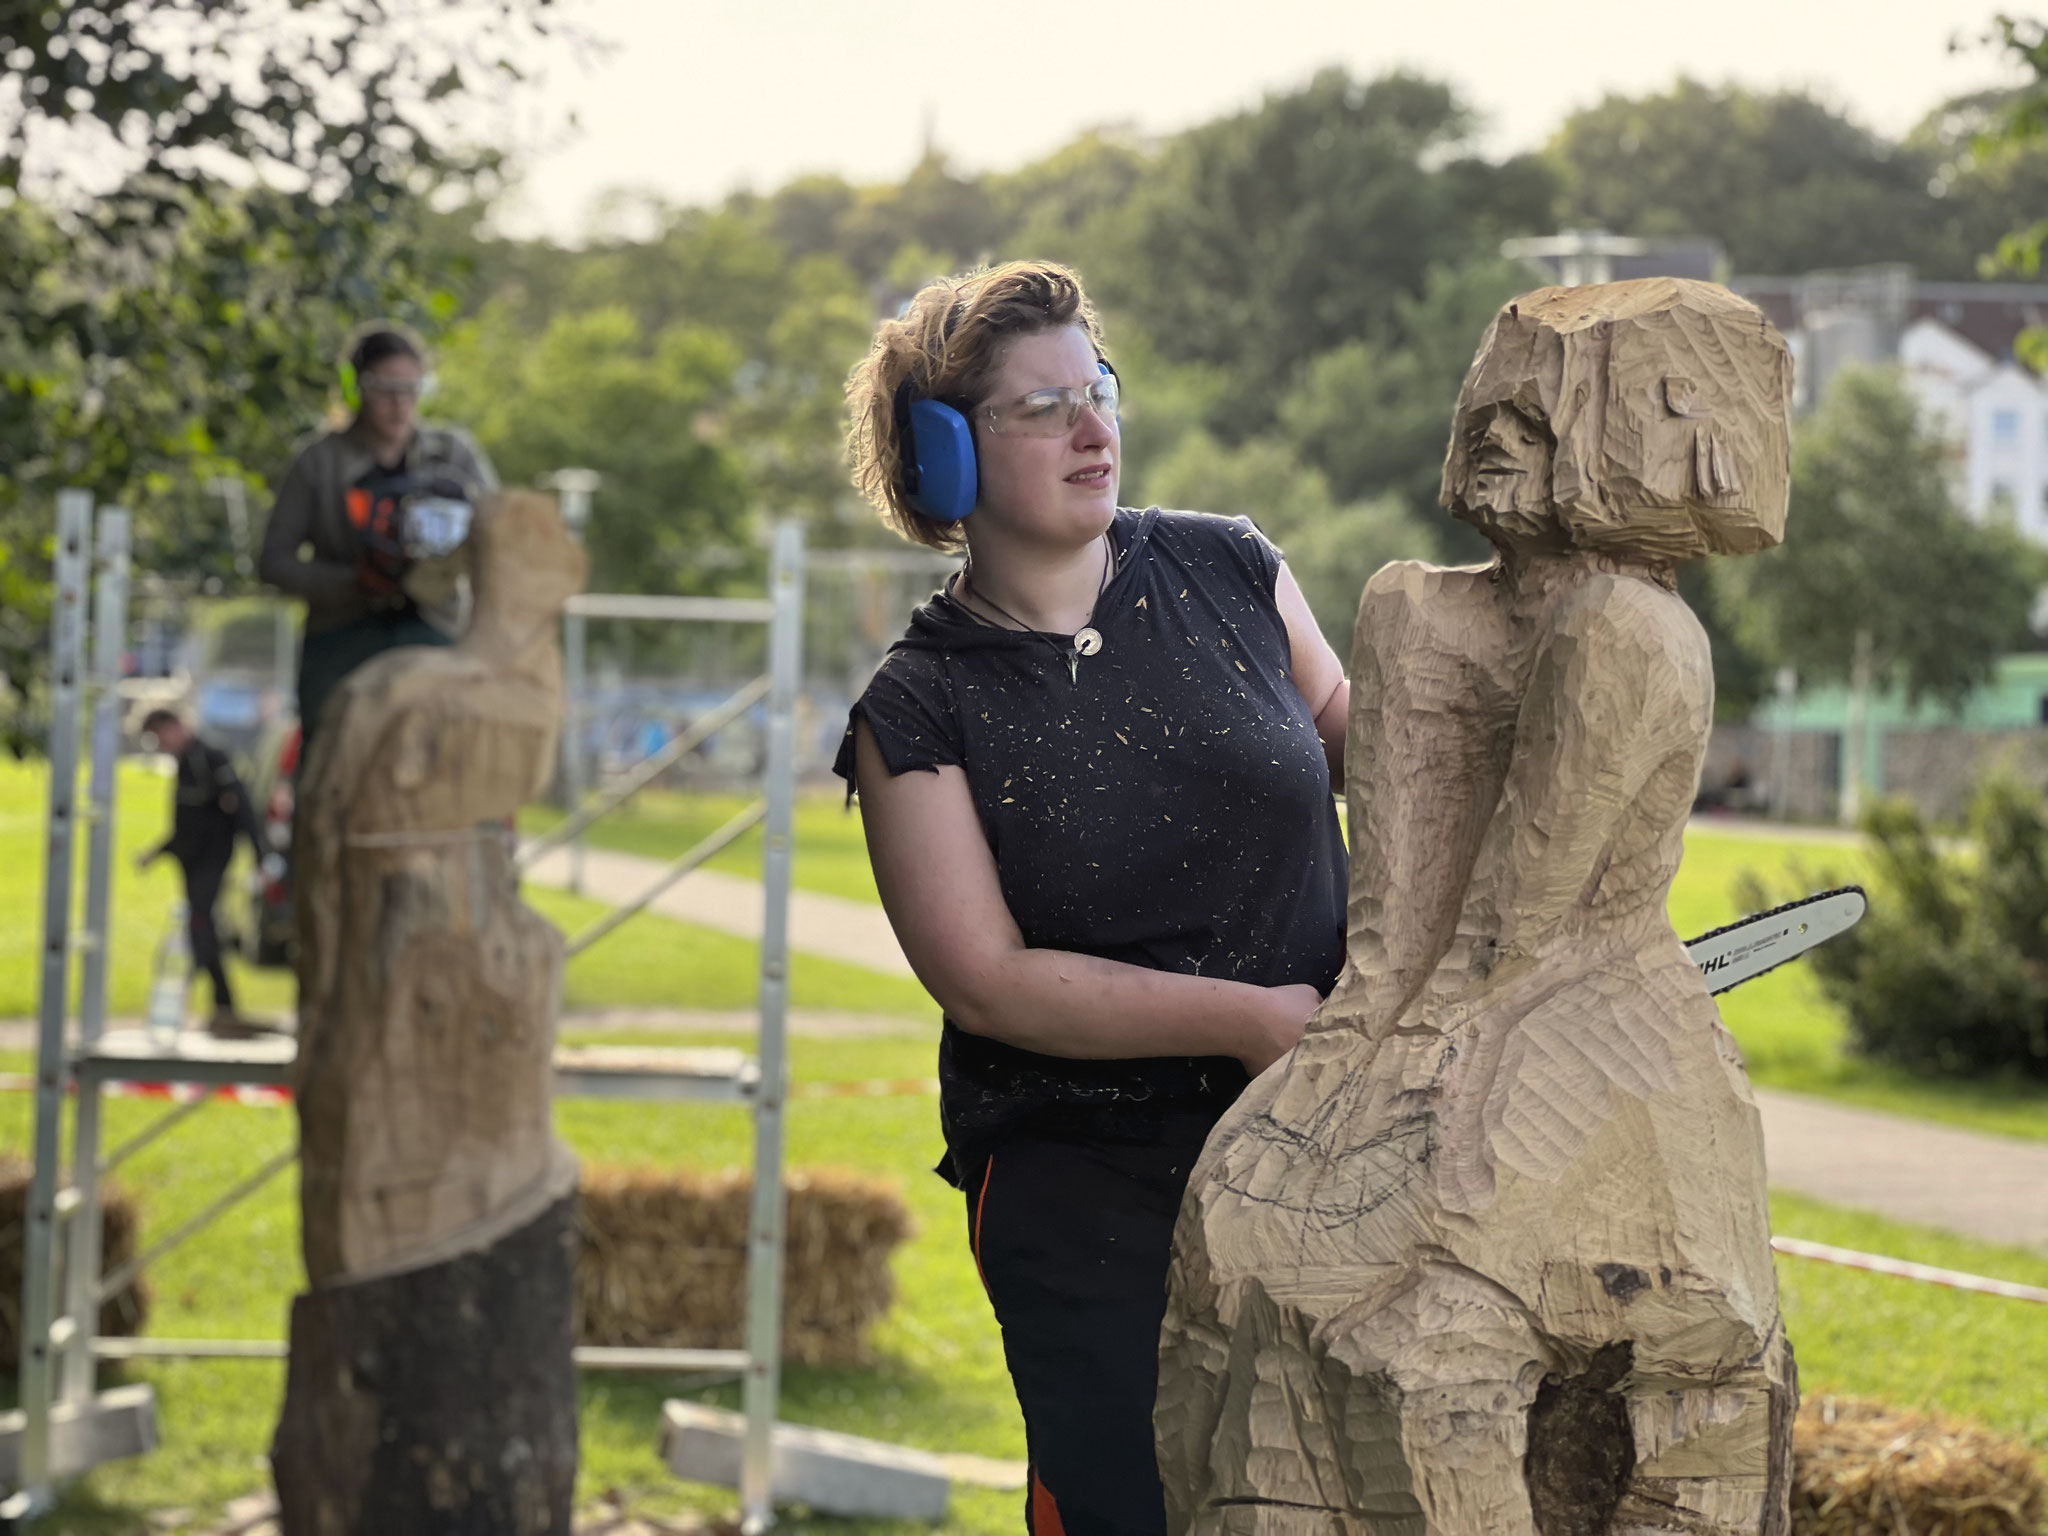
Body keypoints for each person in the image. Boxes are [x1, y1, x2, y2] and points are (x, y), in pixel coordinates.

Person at [837, 260, 1350, 1536]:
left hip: (1325, 1135)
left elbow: (1368, 748)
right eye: (1042, 406)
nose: (1092, 429)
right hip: (1087, 1185)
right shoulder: (917, 708)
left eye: (1099, 390)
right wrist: (1248, 1019)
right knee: (1135, 1506)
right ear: (946, 454)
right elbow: (989, 980)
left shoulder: (1228, 568)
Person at [258, 325, 496, 762]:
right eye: (384, 388)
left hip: (434, 627)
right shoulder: (319, 462)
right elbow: (274, 561)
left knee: (453, 757)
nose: (399, 402)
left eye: (410, 388)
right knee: (329, 761)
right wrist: (357, 583)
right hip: (342, 635)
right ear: (355, 388)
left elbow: (499, 540)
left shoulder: (454, 455)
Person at [135, 710, 273, 1036]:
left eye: (161, 735)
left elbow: (241, 807)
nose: (162, 745)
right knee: (202, 929)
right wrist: (158, 852)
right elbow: (185, 825)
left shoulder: (211, 758)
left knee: (201, 927)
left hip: (212, 859)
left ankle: (199, 1000)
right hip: (191, 862)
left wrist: (259, 855)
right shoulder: (185, 765)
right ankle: (222, 1008)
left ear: (176, 727)